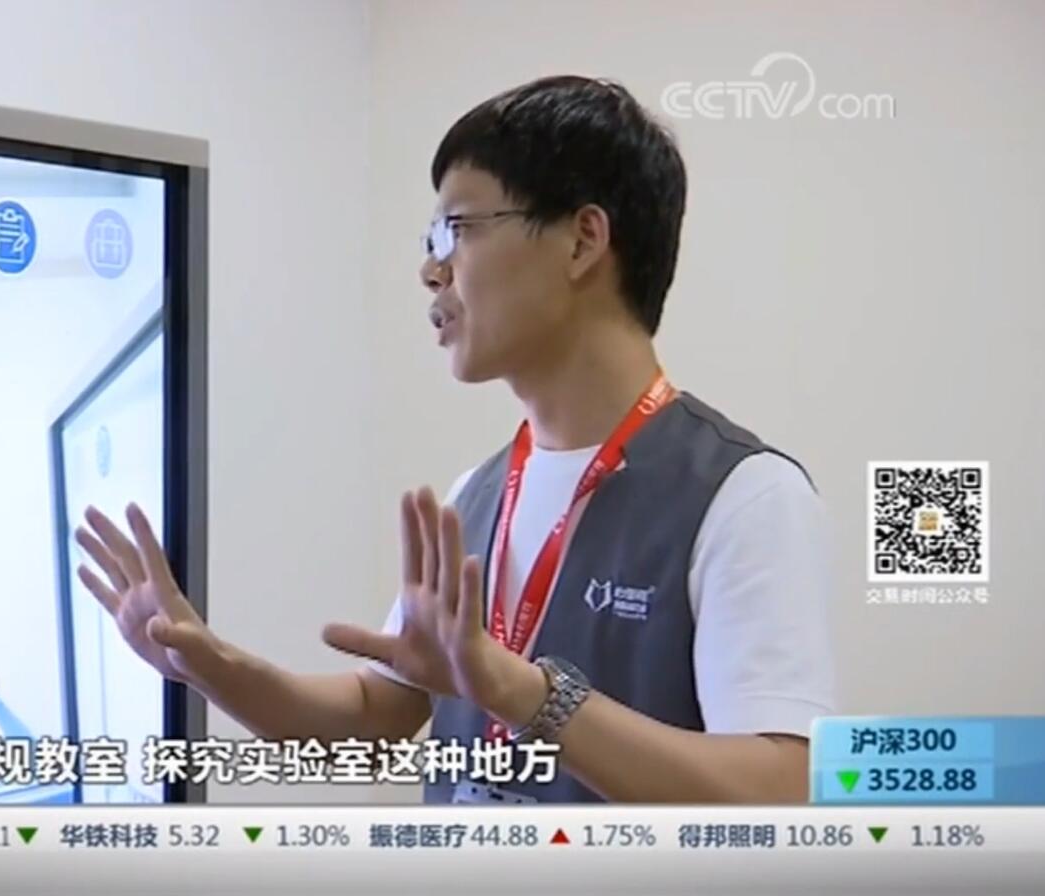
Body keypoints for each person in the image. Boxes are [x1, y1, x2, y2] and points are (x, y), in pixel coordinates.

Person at [73, 76, 835, 803]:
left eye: (456, 230)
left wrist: (522, 693)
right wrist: (205, 663)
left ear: (581, 241)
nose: (430, 270)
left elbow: (777, 787)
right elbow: (376, 716)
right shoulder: (478, 493)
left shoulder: (742, 495)